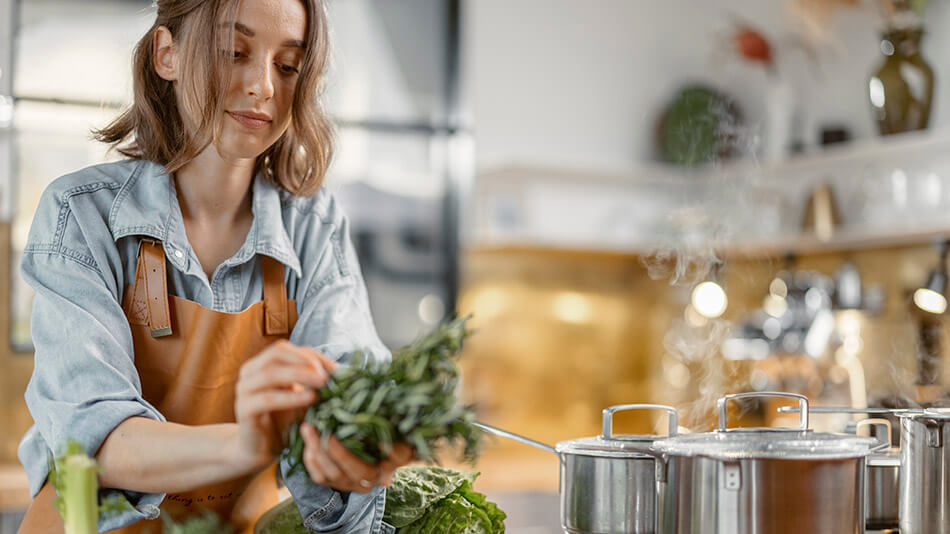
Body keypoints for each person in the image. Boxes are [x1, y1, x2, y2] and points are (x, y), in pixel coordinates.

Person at [16, 0, 412, 532]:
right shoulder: (80, 215)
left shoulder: (314, 227)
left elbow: (353, 384)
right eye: (234, 52)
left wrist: (364, 439)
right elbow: (94, 436)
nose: (264, 86)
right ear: (167, 54)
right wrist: (247, 442)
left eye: (288, 65)